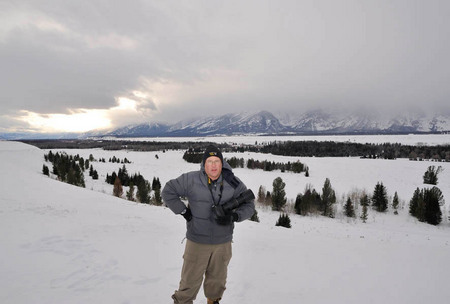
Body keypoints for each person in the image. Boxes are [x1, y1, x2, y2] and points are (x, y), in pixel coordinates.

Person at [162, 145, 255, 304]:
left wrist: (234, 216)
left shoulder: (232, 182)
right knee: (188, 284)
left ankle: (213, 301)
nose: (213, 165)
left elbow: (249, 205)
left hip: (222, 243)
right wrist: (184, 212)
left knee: (217, 282)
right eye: (209, 161)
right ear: (203, 164)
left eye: (216, 161)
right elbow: (168, 191)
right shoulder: (191, 179)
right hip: (197, 241)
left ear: (222, 163)